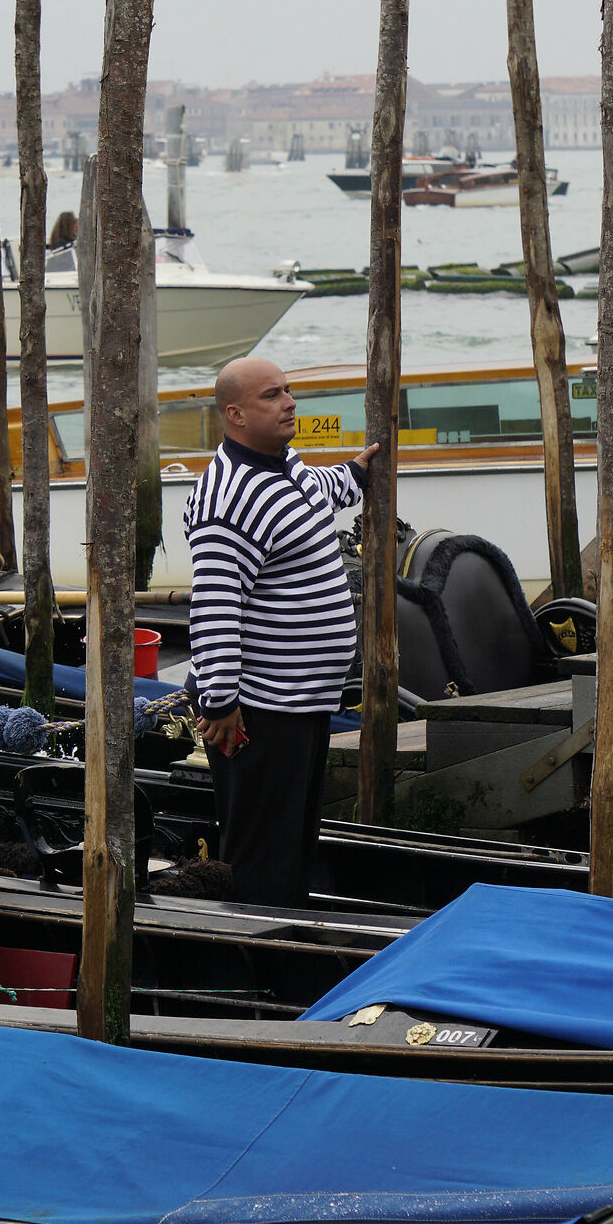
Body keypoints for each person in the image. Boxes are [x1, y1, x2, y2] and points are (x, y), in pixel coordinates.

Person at [181, 356, 379, 907]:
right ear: (236, 414)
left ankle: (287, 928)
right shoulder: (230, 498)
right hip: (259, 709)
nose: (290, 402)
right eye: (273, 395)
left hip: (302, 703)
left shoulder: (285, 467)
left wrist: (356, 474)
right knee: (260, 849)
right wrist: (221, 704)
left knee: (294, 839)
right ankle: (249, 960)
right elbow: (215, 608)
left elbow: (318, 488)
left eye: (288, 391)